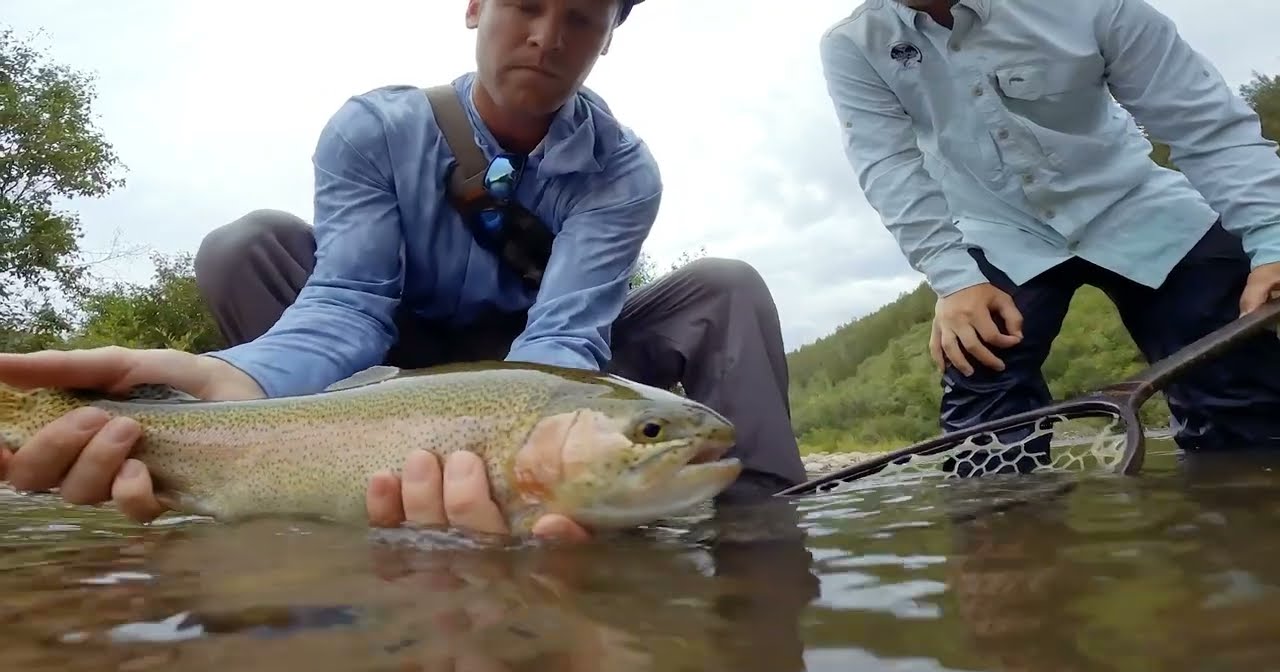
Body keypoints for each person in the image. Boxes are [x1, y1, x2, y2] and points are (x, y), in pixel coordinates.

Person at [0, 0, 807, 537]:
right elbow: (347, 302)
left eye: (581, 17)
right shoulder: (374, 128)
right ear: (474, 7)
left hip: (541, 370)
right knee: (248, 242)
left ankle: (761, 531)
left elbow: (564, 336)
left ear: (606, 34)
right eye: (525, 3)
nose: (547, 35)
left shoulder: (623, 171)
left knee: (726, 286)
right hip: (373, 364)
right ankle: (260, 452)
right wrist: (232, 375)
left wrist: (534, 446)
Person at [818, 0, 1280, 468]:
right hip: (997, 228)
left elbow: (1204, 124)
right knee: (980, 381)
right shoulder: (853, 45)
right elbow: (890, 166)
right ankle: (1005, 529)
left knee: (1238, 383)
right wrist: (953, 278)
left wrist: (1273, 236)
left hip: (1134, 202)